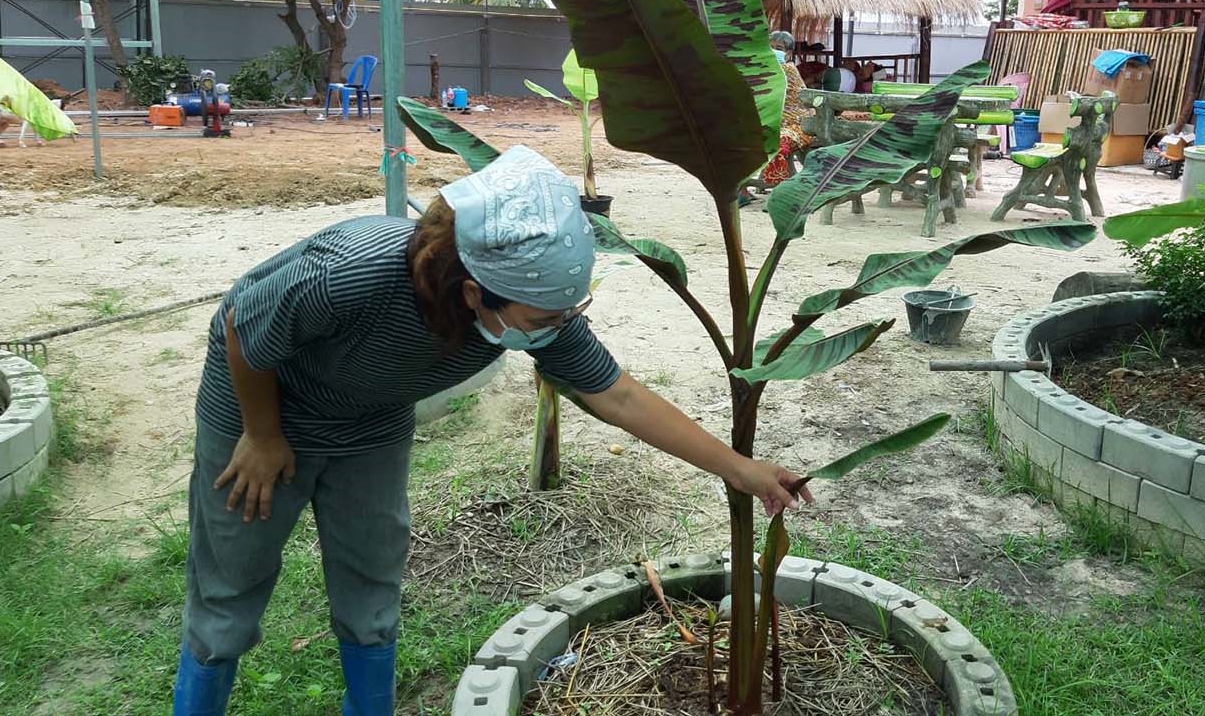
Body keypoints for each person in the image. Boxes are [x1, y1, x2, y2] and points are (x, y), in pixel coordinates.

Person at [172, 147, 814, 716]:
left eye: (568, 312)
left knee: (372, 568)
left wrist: (742, 468)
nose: (556, 324)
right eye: (544, 315)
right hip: (263, 412)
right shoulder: (354, 269)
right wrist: (261, 435)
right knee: (234, 577)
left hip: (371, 420)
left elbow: (617, 396)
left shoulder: (535, 311)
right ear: (475, 292)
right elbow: (242, 323)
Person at [758, 31, 816, 189]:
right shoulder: (766, 69)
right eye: (770, 47)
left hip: (797, 124)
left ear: (788, 53)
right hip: (776, 123)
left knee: (778, 143)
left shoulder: (786, 70)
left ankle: (779, 189)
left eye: (778, 48)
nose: (772, 51)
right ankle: (742, 190)